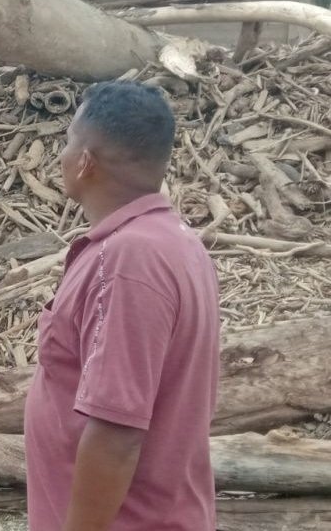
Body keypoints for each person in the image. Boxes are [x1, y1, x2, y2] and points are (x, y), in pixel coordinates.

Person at [24, 81, 220, 531]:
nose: (61, 154)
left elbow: (117, 433)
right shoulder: (174, 243)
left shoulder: (130, 261)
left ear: (86, 161)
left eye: (69, 139)